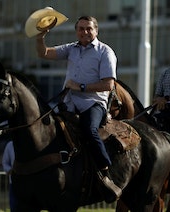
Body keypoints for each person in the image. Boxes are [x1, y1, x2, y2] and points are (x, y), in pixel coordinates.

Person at [35, 15, 121, 202]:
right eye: (81, 29)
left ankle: (106, 172)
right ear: (76, 31)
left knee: (89, 130)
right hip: (69, 102)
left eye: (89, 28)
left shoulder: (105, 52)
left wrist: (81, 87)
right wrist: (40, 36)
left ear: (96, 31)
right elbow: (44, 54)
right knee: (48, 127)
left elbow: (109, 85)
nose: (84, 32)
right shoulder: (71, 48)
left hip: (94, 102)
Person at [2, 141, 16, 212]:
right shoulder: (10, 145)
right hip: (13, 183)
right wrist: (10, 170)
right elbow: (5, 162)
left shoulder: (29, 142)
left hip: (29, 183)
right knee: (14, 207)